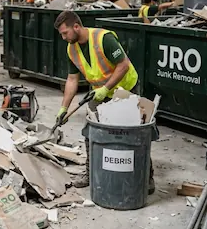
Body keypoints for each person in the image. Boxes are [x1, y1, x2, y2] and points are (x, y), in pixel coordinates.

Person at [54, 10, 155, 194]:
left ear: (76, 26)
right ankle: (90, 172)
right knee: (90, 130)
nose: (63, 37)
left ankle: (146, 177)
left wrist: (106, 88)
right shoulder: (72, 48)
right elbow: (72, 80)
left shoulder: (103, 39)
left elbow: (123, 65)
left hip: (125, 88)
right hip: (100, 93)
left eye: (65, 33)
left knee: (134, 130)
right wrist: (63, 108)